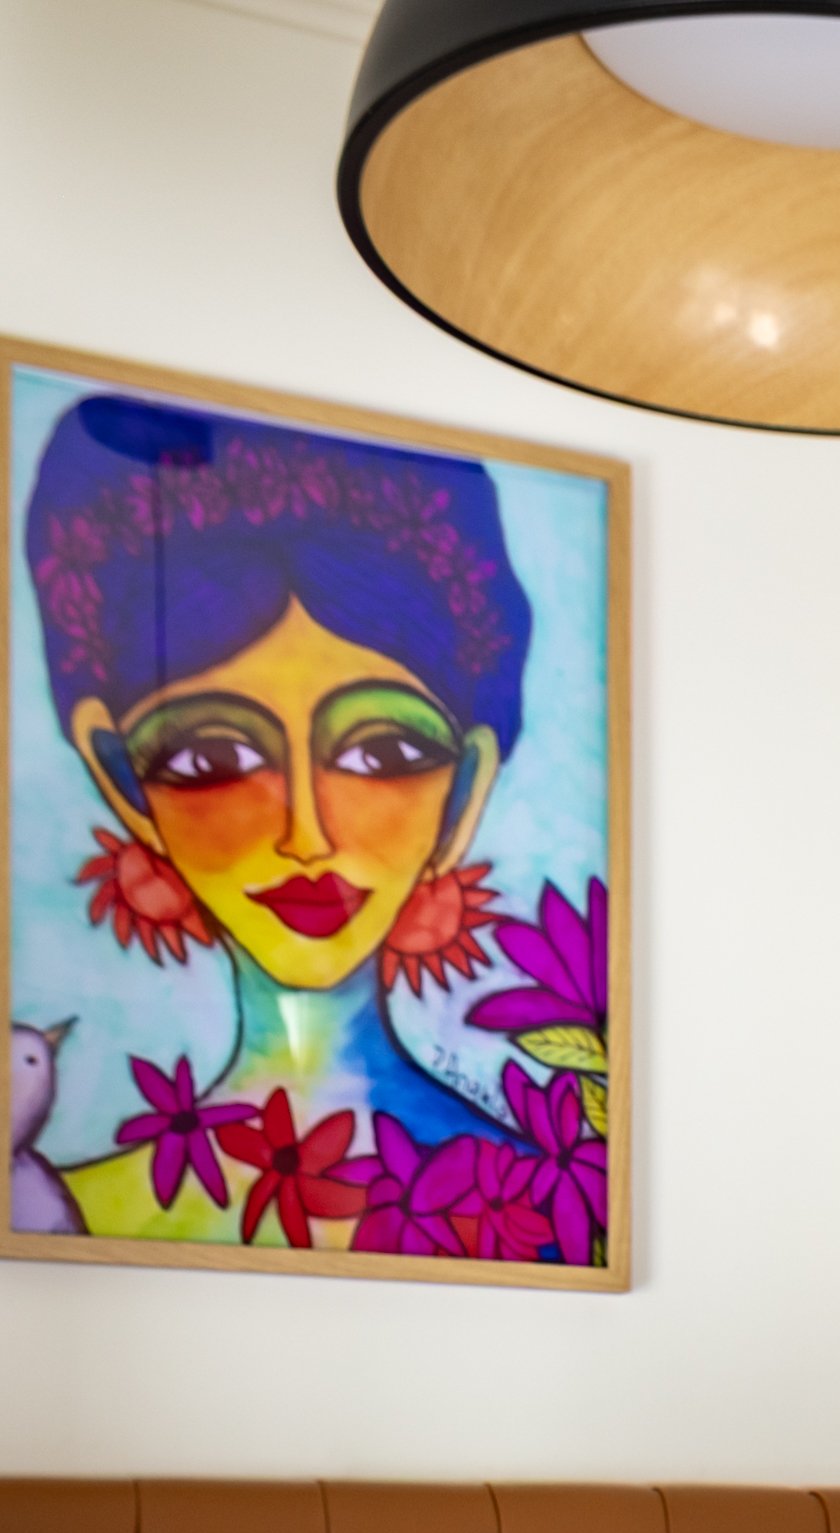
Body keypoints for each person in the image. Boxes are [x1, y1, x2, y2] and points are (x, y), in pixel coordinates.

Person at [24, 392, 543, 1248]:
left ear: (466, 791)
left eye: (381, 755)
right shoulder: (62, 1215)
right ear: (122, 783)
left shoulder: (536, 1212)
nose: (307, 834)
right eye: (211, 760)